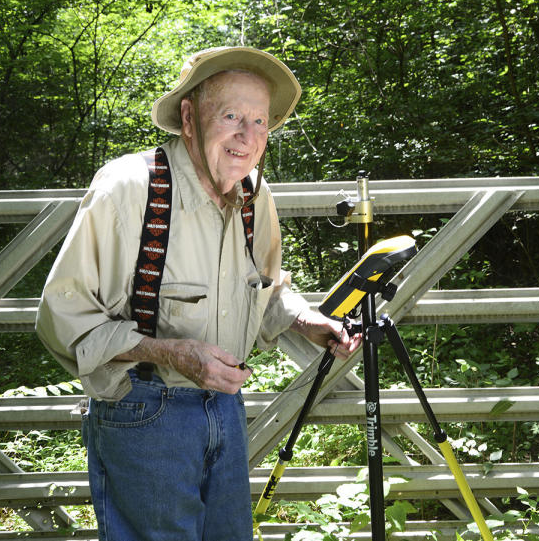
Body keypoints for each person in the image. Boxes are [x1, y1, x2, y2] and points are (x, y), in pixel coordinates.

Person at [36, 46, 359, 540]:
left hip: (225, 411)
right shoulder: (128, 187)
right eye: (230, 115)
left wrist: (306, 319)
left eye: (260, 121)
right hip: (142, 413)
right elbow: (63, 317)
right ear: (189, 116)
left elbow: (267, 289)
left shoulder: (254, 193)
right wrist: (170, 352)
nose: (246, 137)